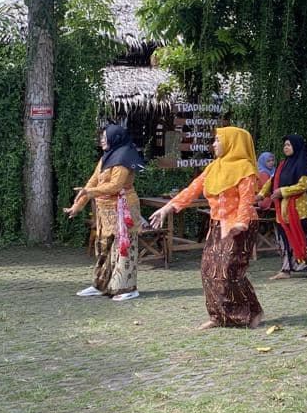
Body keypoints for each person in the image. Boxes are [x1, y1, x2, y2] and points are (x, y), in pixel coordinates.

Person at [150, 126, 263, 330]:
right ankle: (218, 316)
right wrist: (168, 207)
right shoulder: (213, 167)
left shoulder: (245, 168)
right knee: (208, 270)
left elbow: (247, 200)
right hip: (218, 225)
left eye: (218, 140)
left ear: (231, 142)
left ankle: (251, 311)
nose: (214, 144)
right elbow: (192, 189)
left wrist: (241, 223)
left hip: (241, 225)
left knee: (230, 270)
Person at [68, 124, 146, 302]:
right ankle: (100, 285)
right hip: (105, 212)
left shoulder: (124, 157)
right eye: (102, 137)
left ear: (115, 138)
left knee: (123, 248)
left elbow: (115, 186)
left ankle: (127, 288)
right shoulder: (105, 158)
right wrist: (77, 206)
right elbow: (92, 182)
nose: (102, 140)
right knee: (103, 247)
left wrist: (90, 193)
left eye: (105, 136)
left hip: (123, 210)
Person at [258, 134, 307, 280]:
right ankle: (286, 269)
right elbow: (272, 181)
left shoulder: (302, 164)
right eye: (285, 145)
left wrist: (283, 191)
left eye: (289, 145)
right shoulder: (282, 164)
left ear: (296, 146)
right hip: (282, 210)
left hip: (298, 210)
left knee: (303, 240)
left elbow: (303, 185)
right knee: (284, 240)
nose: (285, 147)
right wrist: (261, 195)